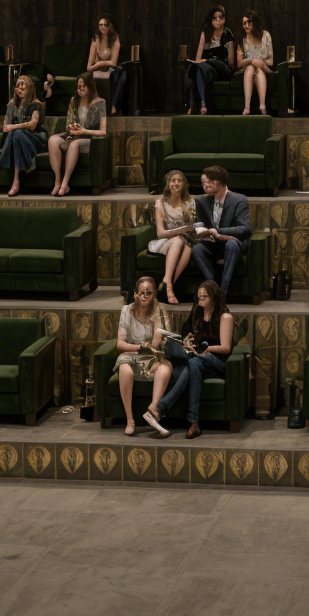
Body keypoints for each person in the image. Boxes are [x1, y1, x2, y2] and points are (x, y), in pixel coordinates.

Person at [155, 280, 234, 438]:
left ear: (213, 297)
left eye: (204, 297)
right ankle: (194, 423)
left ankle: (162, 406)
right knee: (185, 357)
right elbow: (193, 338)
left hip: (217, 360)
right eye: (199, 297)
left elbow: (226, 348)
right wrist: (188, 343)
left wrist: (206, 350)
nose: (200, 299)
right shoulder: (198, 314)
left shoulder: (225, 317)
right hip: (199, 359)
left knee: (192, 362)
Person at [114, 275, 175, 437]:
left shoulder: (160, 311)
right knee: (125, 370)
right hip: (130, 355)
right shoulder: (126, 311)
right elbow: (120, 344)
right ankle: (130, 420)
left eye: (149, 293)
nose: (145, 296)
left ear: (154, 294)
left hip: (152, 357)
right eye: (142, 293)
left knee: (165, 368)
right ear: (135, 294)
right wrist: (140, 348)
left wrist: (156, 317)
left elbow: (156, 344)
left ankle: (153, 409)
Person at [189, 165, 251, 300]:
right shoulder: (201, 201)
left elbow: (244, 228)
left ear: (221, 182)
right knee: (196, 249)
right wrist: (200, 231)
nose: (205, 185)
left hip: (230, 242)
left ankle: (223, 291)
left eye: (209, 182)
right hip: (211, 243)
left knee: (232, 245)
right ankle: (213, 287)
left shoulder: (239, 200)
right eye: (203, 182)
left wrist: (218, 232)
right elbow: (199, 223)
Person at [48, 71, 107, 196]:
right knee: (53, 140)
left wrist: (84, 131)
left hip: (90, 138)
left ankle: (65, 183)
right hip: (74, 135)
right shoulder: (74, 101)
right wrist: (71, 128)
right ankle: (57, 181)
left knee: (75, 144)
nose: (80, 89)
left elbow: (103, 131)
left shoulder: (100, 103)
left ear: (90, 87)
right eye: (78, 86)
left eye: (83, 86)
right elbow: (68, 123)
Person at [147, 168, 199, 306]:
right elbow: (160, 233)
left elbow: (191, 228)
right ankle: (169, 285)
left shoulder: (190, 202)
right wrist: (181, 230)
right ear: (168, 183)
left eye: (179, 181)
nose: (176, 183)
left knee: (187, 244)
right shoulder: (160, 203)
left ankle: (168, 285)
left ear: (184, 184)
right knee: (178, 240)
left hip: (186, 240)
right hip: (165, 241)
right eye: (173, 181)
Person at [0, 74, 46, 197]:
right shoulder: (12, 105)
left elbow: (32, 125)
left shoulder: (36, 104)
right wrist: (13, 127)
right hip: (17, 138)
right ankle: (18, 178)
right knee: (15, 134)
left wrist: (14, 126)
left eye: (23, 88)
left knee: (16, 132)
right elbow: (5, 125)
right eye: (18, 87)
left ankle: (2, 163)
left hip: (34, 138)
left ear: (30, 89)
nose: (20, 90)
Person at [187, 5, 234, 114]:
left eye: (220, 17)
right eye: (215, 17)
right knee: (195, 69)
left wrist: (206, 61)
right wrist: (198, 63)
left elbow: (231, 61)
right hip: (206, 68)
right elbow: (198, 56)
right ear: (211, 19)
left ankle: (196, 104)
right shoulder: (206, 33)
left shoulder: (227, 33)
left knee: (203, 65)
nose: (218, 20)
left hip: (221, 67)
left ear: (224, 19)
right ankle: (202, 104)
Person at [88, 15, 127, 115]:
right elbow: (89, 66)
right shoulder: (96, 39)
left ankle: (114, 106)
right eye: (100, 25)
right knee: (116, 76)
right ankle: (110, 106)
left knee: (121, 76)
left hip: (112, 68)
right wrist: (98, 65)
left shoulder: (114, 38)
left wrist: (100, 63)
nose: (103, 27)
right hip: (99, 69)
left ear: (110, 26)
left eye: (105, 25)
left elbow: (113, 62)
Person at [236, 10, 273, 115]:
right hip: (248, 70)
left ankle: (262, 105)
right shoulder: (242, 39)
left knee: (259, 70)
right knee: (250, 68)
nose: (247, 26)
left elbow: (271, 61)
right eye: (244, 23)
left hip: (263, 69)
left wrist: (260, 62)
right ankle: (247, 107)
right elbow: (239, 63)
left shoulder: (265, 36)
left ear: (255, 22)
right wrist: (251, 61)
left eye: (249, 22)